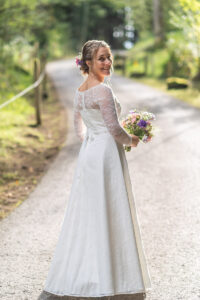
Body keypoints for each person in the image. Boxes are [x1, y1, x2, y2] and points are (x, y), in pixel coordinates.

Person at [38, 40, 152, 300]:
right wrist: (132, 139)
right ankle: (115, 280)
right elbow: (114, 130)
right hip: (105, 155)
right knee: (110, 208)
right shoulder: (103, 91)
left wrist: (88, 139)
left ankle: (92, 273)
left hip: (90, 154)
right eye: (101, 58)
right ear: (87, 62)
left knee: (90, 211)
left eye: (109, 57)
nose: (107, 62)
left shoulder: (80, 91)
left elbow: (78, 123)